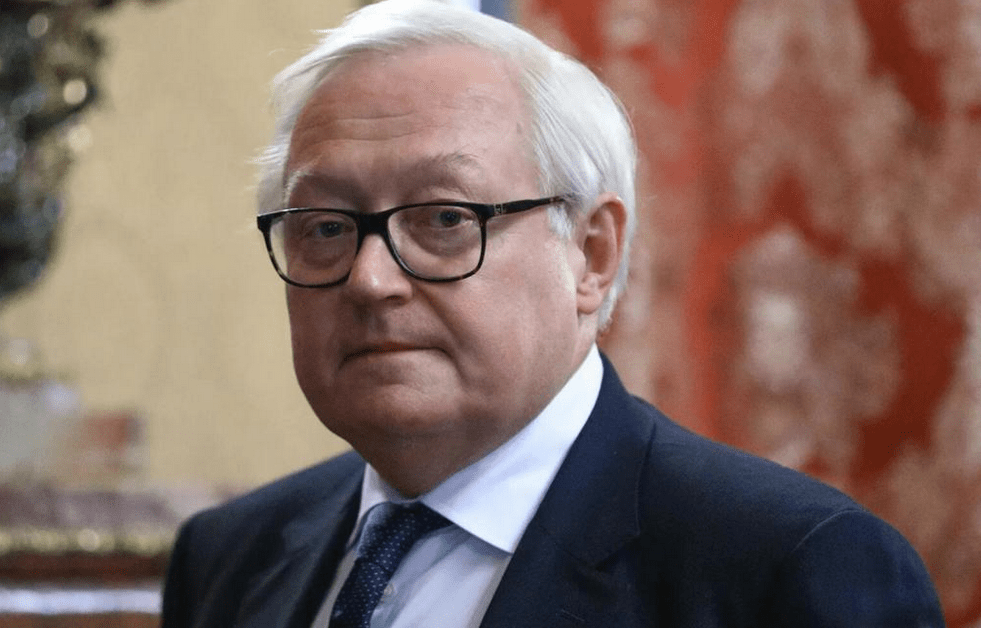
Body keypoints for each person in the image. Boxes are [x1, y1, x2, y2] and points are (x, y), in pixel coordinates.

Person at [161, 1, 945, 626]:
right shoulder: (228, 556)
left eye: (444, 219)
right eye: (326, 228)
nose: (370, 280)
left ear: (590, 254)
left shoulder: (788, 569)